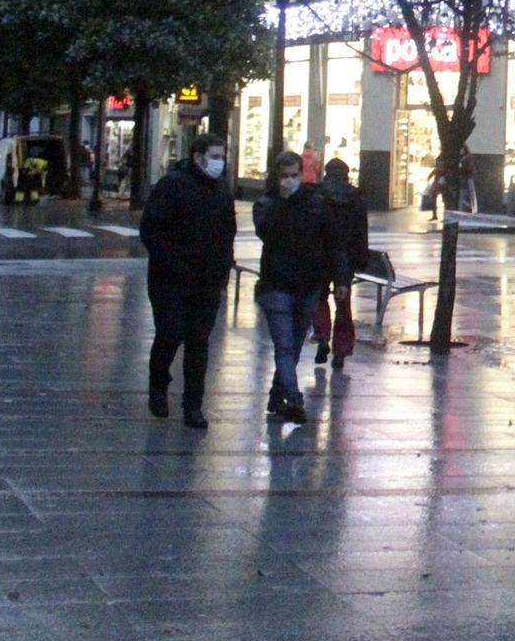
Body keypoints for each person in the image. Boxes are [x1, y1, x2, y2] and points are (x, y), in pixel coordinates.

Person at [138, 133, 236, 429]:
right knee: (169, 332)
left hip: (206, 281)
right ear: (198, 156)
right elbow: (152, 230)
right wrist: (171, 262)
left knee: (198, 343)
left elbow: (226, 234)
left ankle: (193, 405)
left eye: (222, 156)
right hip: (170, 280)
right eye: (215, 156)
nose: (220, 162)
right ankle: (159, 383)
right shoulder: (172, 186)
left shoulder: (221, 191)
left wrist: (221, 272)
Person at [254, 150, 347, 424]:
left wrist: (341, 279)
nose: (289, 181)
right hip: (276, 287)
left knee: (293, 347)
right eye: (284, 176)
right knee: (284, 347)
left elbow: (333, 243)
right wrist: (283, 202)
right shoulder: (267, 204)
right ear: (276, 176)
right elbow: (266, 231)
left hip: (308, 286)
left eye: (294, 175)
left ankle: (275, 395)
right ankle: (294, 400)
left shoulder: (316, 203)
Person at [311, 157, 369, 370]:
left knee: (319, 296)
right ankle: (341, 351)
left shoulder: (318, 194)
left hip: (320, 255)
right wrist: (360, 257)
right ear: (346, 175)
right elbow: (361, 230)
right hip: (345, 256)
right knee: (343, 303)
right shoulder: (356, 198)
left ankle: (322, 335)